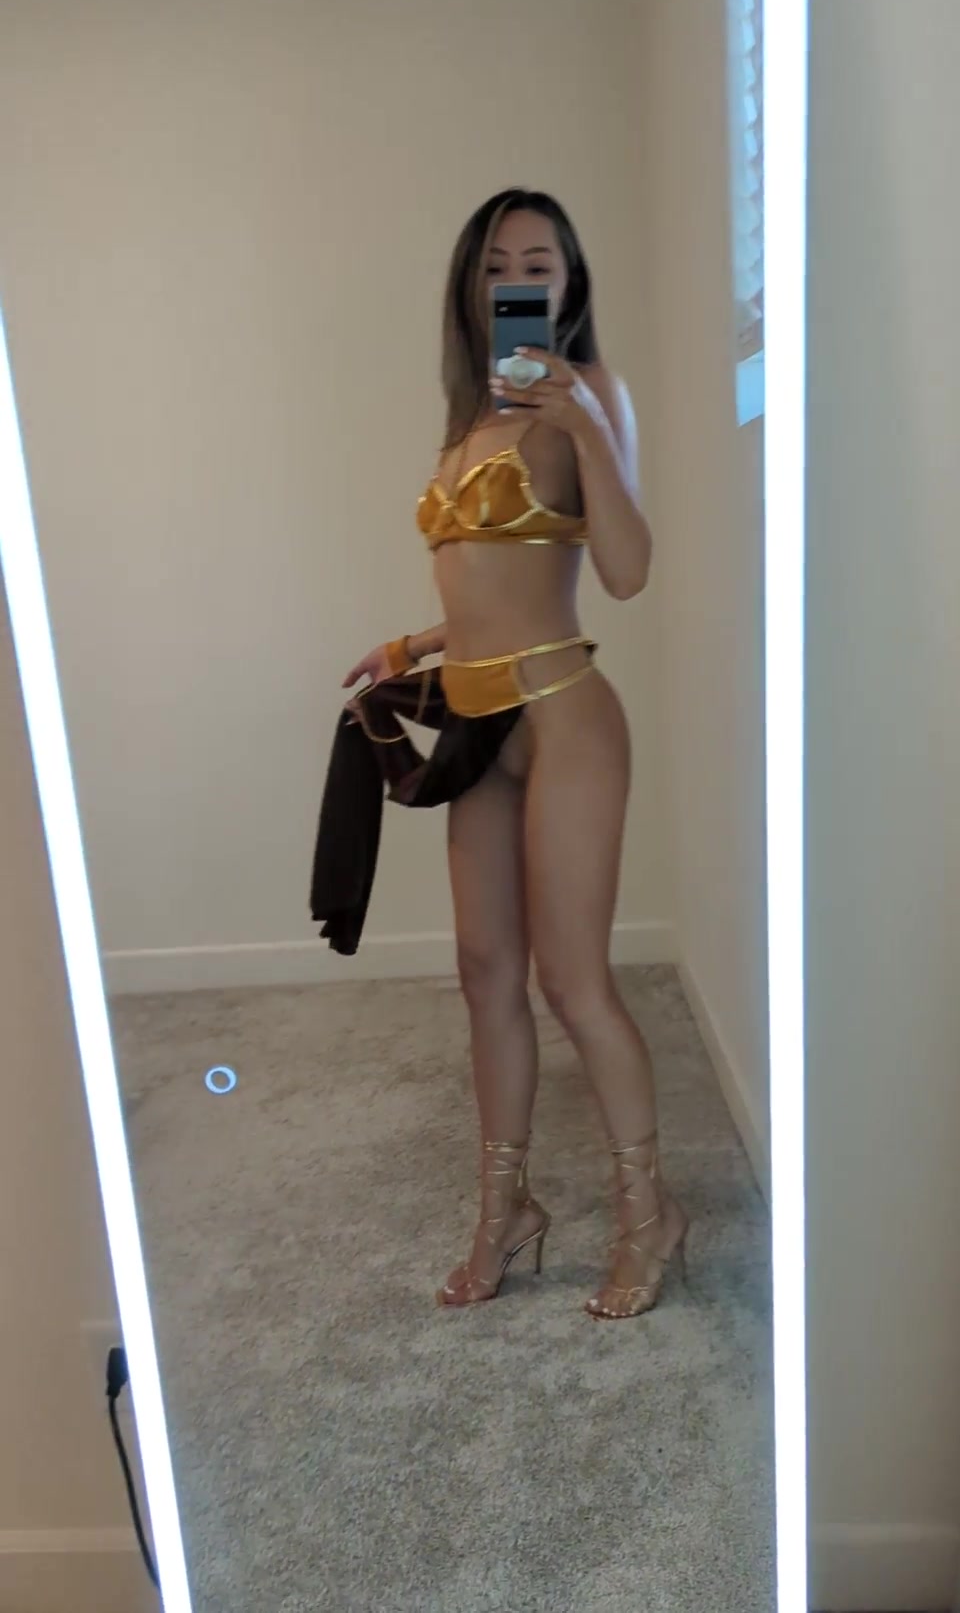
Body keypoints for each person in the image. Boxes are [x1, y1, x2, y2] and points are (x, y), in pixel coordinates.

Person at [342, 189, 688, 1320]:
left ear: (571, 282)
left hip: (567, 716)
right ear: (470, 284)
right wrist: (412, 644)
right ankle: (507, 1211)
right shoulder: (468, 422)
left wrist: (583, 424)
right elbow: (488, 586)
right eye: (497, 264)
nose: (517, 281)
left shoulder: (588, 395)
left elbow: (627, 572)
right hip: (476, 722)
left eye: (539, 263)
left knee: (572, 981)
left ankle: (650, 1215)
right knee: (483, 970)